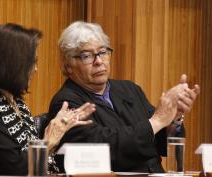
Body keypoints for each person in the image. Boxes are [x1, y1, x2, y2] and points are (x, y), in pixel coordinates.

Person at [48, 21, 200, 173]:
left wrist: (173, 119)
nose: (99, 61)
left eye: (103, 52)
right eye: (87, 56)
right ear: (68, 65)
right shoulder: (66, 103)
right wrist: (157, 121)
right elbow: (103, 148)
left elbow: (161, 143)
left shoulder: (129, 89)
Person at [0, 23, 95, 175]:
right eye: (32, 62)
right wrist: (49, 139)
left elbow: (36, 164)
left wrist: (60, 130)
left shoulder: (18, 104)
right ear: (12, 64)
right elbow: (17, 169)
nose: (36, 69)